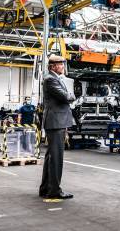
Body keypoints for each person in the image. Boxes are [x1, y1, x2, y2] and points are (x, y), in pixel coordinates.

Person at [39, 55, 76, 199]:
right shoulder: (51, 79)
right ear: (53, 66)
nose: (63, 67)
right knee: (56, 158)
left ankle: (45, 188)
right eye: (61, 64)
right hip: (56, 122)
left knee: (51, 157)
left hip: (57, 121)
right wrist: (72, 95)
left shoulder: (54, 78)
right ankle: (54, 191)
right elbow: (67, 97)